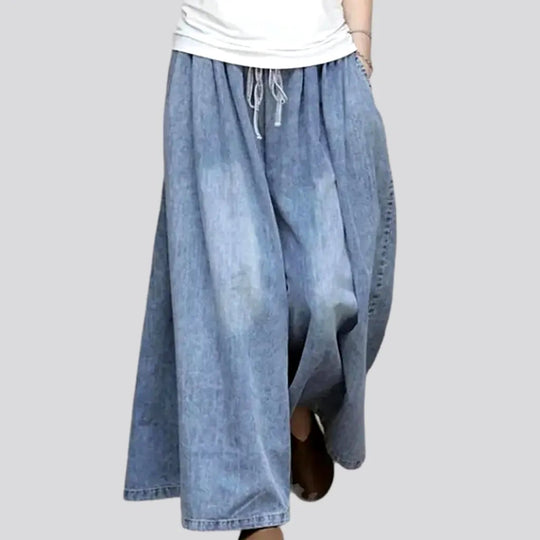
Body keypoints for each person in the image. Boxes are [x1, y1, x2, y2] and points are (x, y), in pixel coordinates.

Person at [123, 1, 397, 538]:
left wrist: (362, 45)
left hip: (323, 68)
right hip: (213, 68)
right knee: (239, 298)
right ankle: (257, 516)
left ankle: (294, 405)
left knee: (329, 292)